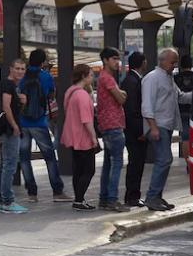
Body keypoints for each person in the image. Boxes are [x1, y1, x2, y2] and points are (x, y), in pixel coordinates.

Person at [141, 48, 192, 211]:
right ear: (162, 61)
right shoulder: (152, 78)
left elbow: (181, 97)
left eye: (176, 62)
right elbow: (147, 105)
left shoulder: (169, 79)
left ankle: (156, 196)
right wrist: (153, 127)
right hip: (158, 125)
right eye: (172, 62)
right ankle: (152, 197)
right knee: (164, 159)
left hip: (167, 126)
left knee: (164, 160)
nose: (175, 65)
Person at [18, 48, 69, 203]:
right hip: (39, 122)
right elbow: (51, 96)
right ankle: (57, 192)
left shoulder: (22, 76)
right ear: (42, 62)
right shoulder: (46, 77)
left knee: (24, 158)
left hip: (22, 122)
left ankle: (32, 193)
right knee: (50, 158)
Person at [60, 64, 98, 211]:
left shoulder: (70, 91)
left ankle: (79, 199)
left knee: (78, 169)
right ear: (83, 76)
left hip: (73, 135)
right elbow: (86, 119)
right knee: (88, 170)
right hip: (83, 137)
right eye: (90, 75)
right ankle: (79, 199)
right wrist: (93, 137)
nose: (92, 78)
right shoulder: (82, 95)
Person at [97, 48, 130, 213]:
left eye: (118, 59)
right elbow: (121, 98)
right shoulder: (107, 78)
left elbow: (120, 95)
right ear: (105, 60)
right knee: (117, 163)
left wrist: (121, 93)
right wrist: (122, 94)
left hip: (106, 126)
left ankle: (104, 199)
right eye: (114, 59)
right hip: (114, 126)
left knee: (108, 164)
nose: (117, 62)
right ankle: (112, 200)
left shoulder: (103, 77)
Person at [0, 59, 28, 214]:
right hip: (8, 130)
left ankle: (0, 200)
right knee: (9, 165)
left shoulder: (9, 85)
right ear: (11, 69)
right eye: (17, 68)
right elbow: (6, 106)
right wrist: (14, 126)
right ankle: (7, 200)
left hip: (3, 130)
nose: (20, 71)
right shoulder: (8, 85)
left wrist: (21, 101)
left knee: (3, 164)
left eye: (22, 69)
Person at [121, 51, 147, 207]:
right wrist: (141, 131)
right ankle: (132, 196)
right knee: (136, 163)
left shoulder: (131, 80)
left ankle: (133, 195)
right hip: (134, 131)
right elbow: (132, 110)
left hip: (133, 130)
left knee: (136, 163)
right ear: (142, 63)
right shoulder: (132, 81)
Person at [174, 54, 193, 170]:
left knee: (185, 138)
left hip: (181, 111)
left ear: (181, 65)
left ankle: (188, 164)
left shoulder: (176, 78)